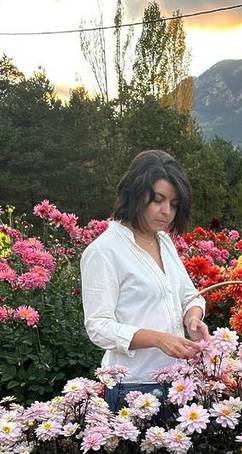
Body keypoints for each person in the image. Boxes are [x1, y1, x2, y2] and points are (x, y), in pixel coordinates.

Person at [80, 149, 211, 412]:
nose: (166, 212)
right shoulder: (104, 250)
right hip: (133, 386)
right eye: (158, 200)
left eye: (173, 204)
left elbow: (188, 295)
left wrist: (193, 317)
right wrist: (156, 338)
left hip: (177, 381)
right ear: (135, 195)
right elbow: (98, 326)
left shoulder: (163, 241)